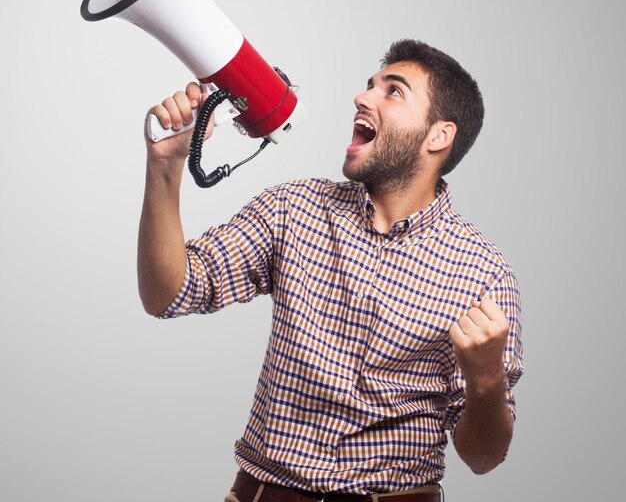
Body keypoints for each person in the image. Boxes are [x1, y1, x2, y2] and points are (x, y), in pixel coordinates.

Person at [137, 39, 523, 502]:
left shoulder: (484, 276)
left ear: (438, 136)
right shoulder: (292, 208)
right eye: (369, 87)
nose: (363, 98)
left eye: (393, 91)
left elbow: (483, 457)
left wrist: (485, 382)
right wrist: (165, 166)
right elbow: (168, 295)